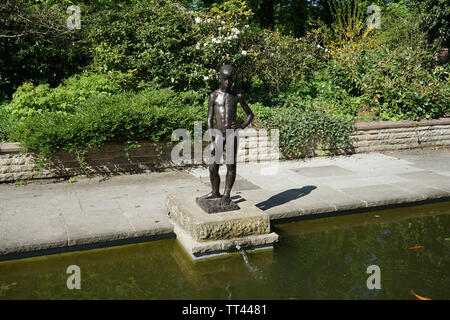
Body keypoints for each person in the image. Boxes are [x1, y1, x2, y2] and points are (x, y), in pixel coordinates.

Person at [199, 65, 254, 206]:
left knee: (230, 165)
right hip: (218, 134)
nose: (228, 83)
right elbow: (209, 119)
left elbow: (250, 114)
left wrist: (241, 126)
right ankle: (214, 192)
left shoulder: (237, 96)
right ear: (220, 79)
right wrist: (211, 139)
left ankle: (227, 194)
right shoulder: (214, 96)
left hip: (231, 134)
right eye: (225, 80)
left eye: (230, 80)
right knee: (213, 166)